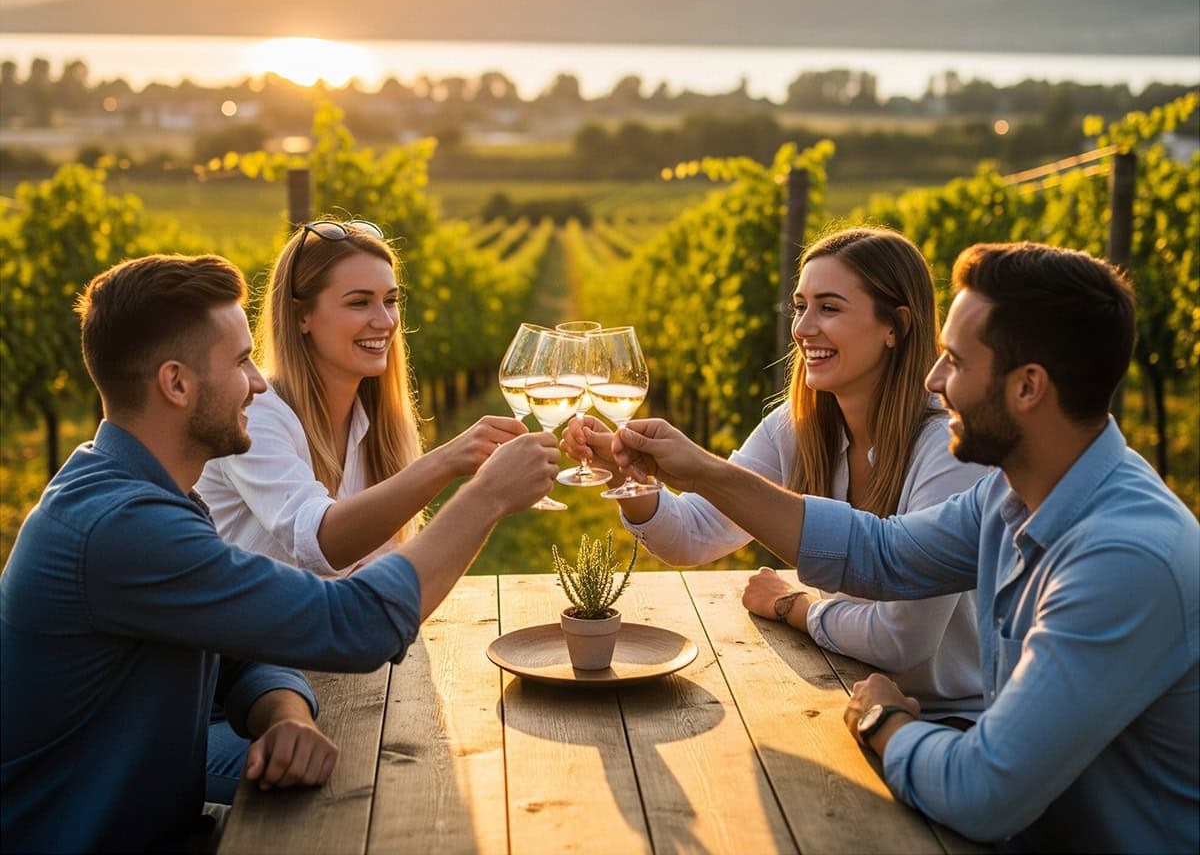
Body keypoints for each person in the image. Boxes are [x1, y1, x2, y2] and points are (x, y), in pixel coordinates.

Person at [605, 241, 1199, 853]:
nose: (936, 380)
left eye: (956, 362)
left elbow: (982, 792)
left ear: (1028, 388)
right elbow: (881, 553)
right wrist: (697, 471)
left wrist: (882, 719)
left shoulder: (1124, 560)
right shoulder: (1009, 493)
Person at [0, 254, 559, 854]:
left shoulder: (149, 496)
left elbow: (234, 647)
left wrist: (284, 715)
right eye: (241, 362)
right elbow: (355, 624)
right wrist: (486, 498)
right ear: (176, 383)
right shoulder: (122, 528)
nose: (261, 383)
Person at [566, 226, 988, 720]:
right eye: (800, 305)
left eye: (829, 308)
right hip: (846, 693)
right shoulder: (801, 424)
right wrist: (623, 475)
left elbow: (901, 640)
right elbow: (694, 534)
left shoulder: (948, 446)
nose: (803, 327)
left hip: (952, 720)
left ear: (894, 325)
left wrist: (794, 606)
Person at [197, 219, 527, 578]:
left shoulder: (379, 423)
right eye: (359, 303)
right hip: (241, 634)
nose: (384, 321)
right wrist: (449, 464)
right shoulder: (254, 415)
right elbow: (319, 543)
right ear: (300, 315)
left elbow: (385, 571)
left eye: (390, 301)